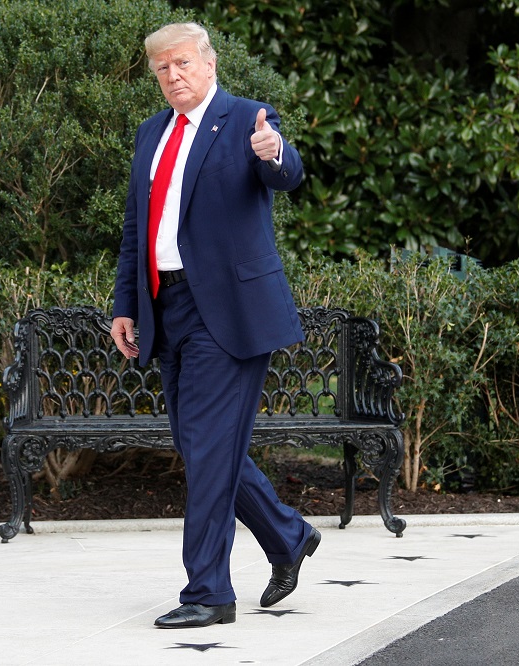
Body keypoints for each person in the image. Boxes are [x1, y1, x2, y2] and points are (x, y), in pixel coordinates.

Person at [110, 22, 320, 628]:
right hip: (165, 307)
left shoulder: (248, 119)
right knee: (202, 446)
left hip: (228, 311)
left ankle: (208, 592)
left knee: (205, 451)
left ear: (208, 62)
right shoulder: (152, 133)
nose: (173, 77)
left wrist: (274, 153)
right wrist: (127, 306)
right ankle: (287, 536)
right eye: (161, 70)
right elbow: (135, 233)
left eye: (182, 64)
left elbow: (286, 173)